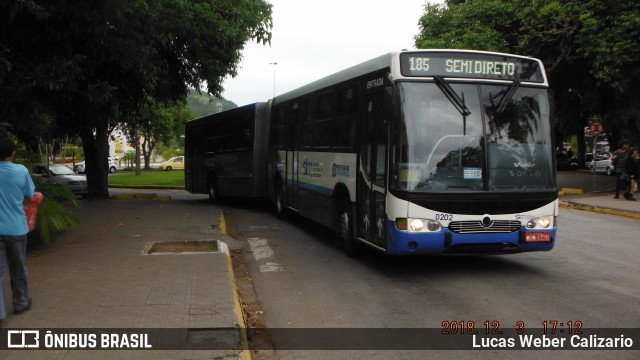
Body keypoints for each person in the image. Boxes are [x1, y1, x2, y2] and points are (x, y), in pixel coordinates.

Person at [0, 137, 35, 326]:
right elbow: (30, 194)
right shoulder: (21, 171)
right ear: (13, 153)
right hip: (16, 228)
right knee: (18, 267)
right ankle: (21, 303)